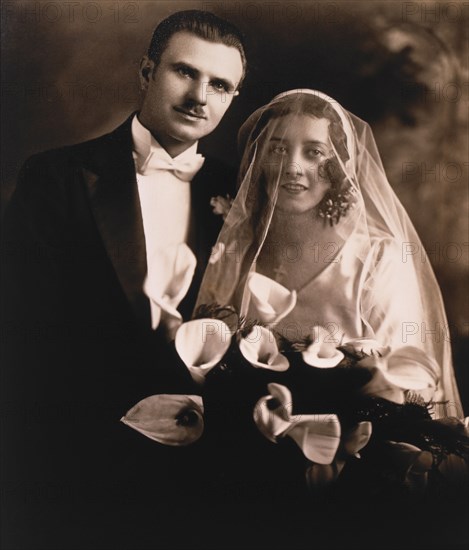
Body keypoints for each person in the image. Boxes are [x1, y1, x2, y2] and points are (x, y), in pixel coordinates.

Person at [1, 10, 246, 549]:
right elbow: (21, 331)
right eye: (185, 72)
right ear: (146, 72)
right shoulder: (56, 176)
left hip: (212, 474)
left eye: (220, 85)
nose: (200, 96)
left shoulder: (244, 195)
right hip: (82, 460)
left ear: (232, 99)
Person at [196, 88, 462, 414]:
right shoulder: (237, 249)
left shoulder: (378, 260)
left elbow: (409, 391)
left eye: (314, 152)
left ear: (337, 168)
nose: (292, 166)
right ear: (259, 162)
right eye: (278, 149)